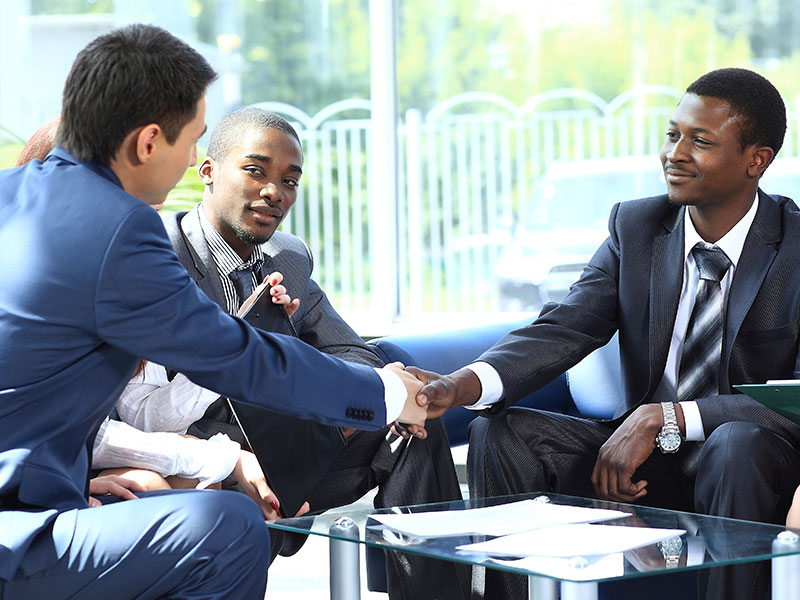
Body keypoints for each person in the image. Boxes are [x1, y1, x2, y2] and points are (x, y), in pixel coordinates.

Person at [0, 24, 427, 600]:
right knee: (226, 529)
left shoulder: (12, 194)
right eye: (193, 140)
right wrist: (386, 396)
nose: (195, 159)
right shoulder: (120, 227)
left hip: (52, 491)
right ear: (149, 142)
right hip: (17, 531)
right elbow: (235, 357)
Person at [409, 67, 800, 600]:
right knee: (502, 434)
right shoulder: (637, 229)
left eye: (700, 141)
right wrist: (461, 385)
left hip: (747, 467)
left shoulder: (795, 247)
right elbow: (564, 327)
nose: (674, 153)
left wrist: (668, 417)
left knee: (736, 444)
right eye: (672, 134)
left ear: (757, 159)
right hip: (642, 460)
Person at [146, 106, 466, 599]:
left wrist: (315, 391)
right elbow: (142, 404)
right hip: (208, 461)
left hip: (299, 450)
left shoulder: (287, 259)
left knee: (412, 424)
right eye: (255, 171)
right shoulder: (158, 257)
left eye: (289, 180)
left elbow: (357, 357)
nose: (274, 192)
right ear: (207, 172)